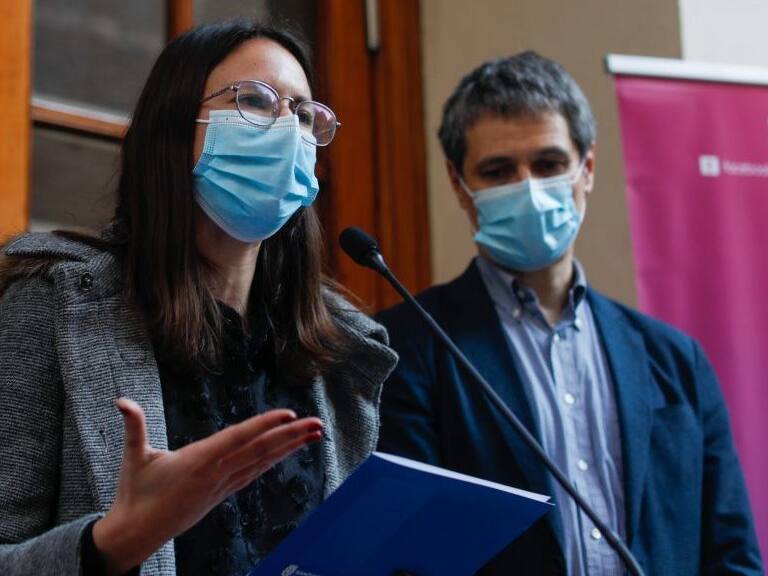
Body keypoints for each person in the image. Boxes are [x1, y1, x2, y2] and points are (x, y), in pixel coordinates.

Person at [0, 19, 397, 576]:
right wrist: (110, 542)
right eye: (255, 102)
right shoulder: (53, 306)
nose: (288, 130)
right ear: (173, 127)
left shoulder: (336, 345)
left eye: (305, 115)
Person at [377, 51, 762, 575]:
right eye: (498, 171)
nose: (529, 188)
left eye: (549, 164)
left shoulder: (675, 359)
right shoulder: (408, 348)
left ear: (588, 169)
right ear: (459, 185)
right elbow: (412, 555)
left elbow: (732, 553)